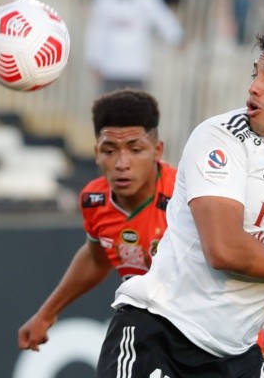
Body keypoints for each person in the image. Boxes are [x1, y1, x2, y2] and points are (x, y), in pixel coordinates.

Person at [95, 20, 264, 378]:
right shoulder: (221, 138)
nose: (254, 87)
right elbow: (225, 251)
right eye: (255, 74)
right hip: (160, 333)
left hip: (237, 359)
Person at [17, 88, 177, 351]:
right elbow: (96, 259)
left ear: (157, 150)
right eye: (109, 150)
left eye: (136, 149)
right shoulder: (95, 199)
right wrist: (46, 314)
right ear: (96, 153)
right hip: (148, 326)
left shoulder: (185, 199)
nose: (122, 163)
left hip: (200, 331)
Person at [84, 0, 184, 94]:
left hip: (137, 69)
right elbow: (95, 33)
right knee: (110, 103)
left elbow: (163, 19)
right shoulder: (103, 0)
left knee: (136, 103)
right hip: (110, 70)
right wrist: (94, 60)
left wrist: (177, 37)